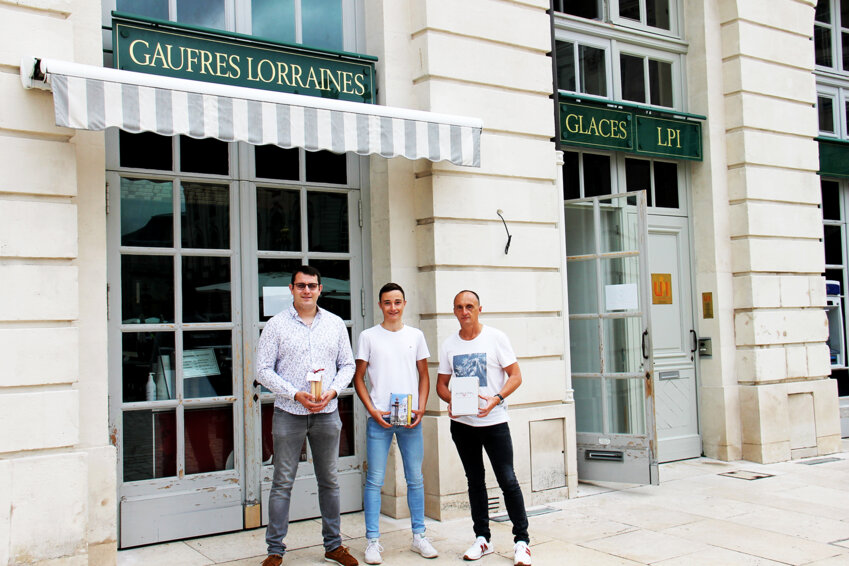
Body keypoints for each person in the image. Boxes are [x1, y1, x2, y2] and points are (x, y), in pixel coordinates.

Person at [256, 265, 358, 566]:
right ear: (291, 289)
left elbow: (348, 365)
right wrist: (294, 393)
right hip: (289, 412)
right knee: (282, 481)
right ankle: (275, 550)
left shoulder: (335, 324)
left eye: (312, 286)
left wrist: (333, 391)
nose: (306, 291)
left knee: (330, 480)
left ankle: (334, 546)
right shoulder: (275, 325)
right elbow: (262, 370)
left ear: (320, 289)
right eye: (301, 285)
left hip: (327, 412)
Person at [436, 290, 531, 566]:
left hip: (494, 422)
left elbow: (516, 376)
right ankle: (482, 538)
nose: (464, 312)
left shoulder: (496, 338)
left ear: (479, 309)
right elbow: (442, 385)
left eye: (469, 306)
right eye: (459, 307)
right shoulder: (449, 344)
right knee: (474, 481)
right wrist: (452, 401)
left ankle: (522, 542)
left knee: (507, 480)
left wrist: (496, 398)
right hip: (462, 425)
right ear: (454, 311)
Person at [352, 283, 438, 564]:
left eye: (397, 302)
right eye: (387, 302)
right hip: (380, 418)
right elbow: (358, 377)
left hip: (410, 417)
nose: (393, 307)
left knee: (415, 478)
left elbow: (424, 375)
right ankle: (373, 541)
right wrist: (371, 409)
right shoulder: (368, 336)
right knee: (375, 480)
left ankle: (419, 536)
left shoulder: (415, 335)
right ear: (380, 305)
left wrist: (422, 406)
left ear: (404, 304)